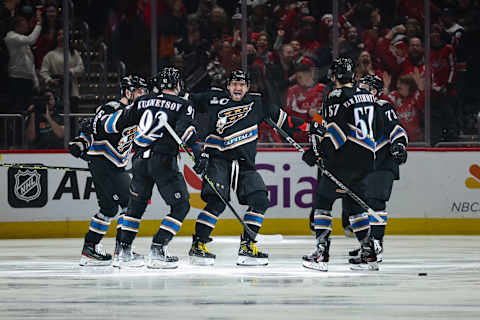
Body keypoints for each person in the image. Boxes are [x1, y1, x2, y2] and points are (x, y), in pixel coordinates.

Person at [187, 70, 317, 266]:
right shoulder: (214, 98)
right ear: (228, 86)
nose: (237, 88)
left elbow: (286, 121)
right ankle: (198, 246)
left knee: (260, 200)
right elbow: (184, 101)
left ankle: (247, 247)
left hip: (244, 164)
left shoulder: (257, 102)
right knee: (216, 203)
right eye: (233, 84)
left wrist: (312, 127)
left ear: (247, 87)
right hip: (218, 160)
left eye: (241, 84)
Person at [111, 67, 205, 269]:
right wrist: (199, 153)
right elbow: (186, 132)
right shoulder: (183, 104)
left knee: (135, 208)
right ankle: (158, 249)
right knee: (181, 205)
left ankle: (123, 252)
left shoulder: (142, 100)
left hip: (139, 160)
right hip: (163, 160)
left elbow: (120, 122)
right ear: (178, 85)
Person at [301, 57, 381, 272]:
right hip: (366, 158)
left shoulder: (335, 95)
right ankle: (368, 254)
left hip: (346, 158)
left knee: (323, 201)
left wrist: (318, 153)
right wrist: (316, 124)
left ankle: (321, 252)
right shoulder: (366, 95)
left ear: (333, 77)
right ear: (353, 76)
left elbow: (337, 130)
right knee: (356, 207)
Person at [68, 75, 148, 266]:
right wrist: (81, 142)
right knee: (129, 203)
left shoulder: (136, 113)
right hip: (104, 163)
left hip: (114, 164)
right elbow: (92, 128)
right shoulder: (112, 108)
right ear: (128, 92)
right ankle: (122, 251)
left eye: (144, 92)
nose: (143, 95)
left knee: (109, 208)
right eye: (139, 91)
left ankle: (90, 249)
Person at [346, 75, 408, 264]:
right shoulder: (355, 109)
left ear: (373, 91)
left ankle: (375, 246)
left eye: (363, 87)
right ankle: (367, 243)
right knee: (360, 205)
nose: (358, 90)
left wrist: (399, 145)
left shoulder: (382, 106)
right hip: (365, 164)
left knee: (375, 203)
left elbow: (396, 128)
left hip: (383, 161)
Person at [4, 11, 42, 113]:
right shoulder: (11, 37)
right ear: (17, 26)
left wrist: (35, 81)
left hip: (27, 78)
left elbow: (30, 63)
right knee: (18, 106)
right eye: (24, 26)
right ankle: (14, 128)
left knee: (28, 107)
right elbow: (31, 39)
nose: (27, 28)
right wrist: (39, 25)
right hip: (17, 77)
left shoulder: (23, 42)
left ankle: (25, 128)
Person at [39, 28, 84, 111]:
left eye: (63, 34)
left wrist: (71, 71)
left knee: (72, 116)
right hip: (56, 91)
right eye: (59, 34)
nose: (61, 36)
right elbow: (43, 72)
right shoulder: (50, 54)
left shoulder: (74, 53)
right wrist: (50, 80)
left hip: (72, 91)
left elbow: (81, 68)